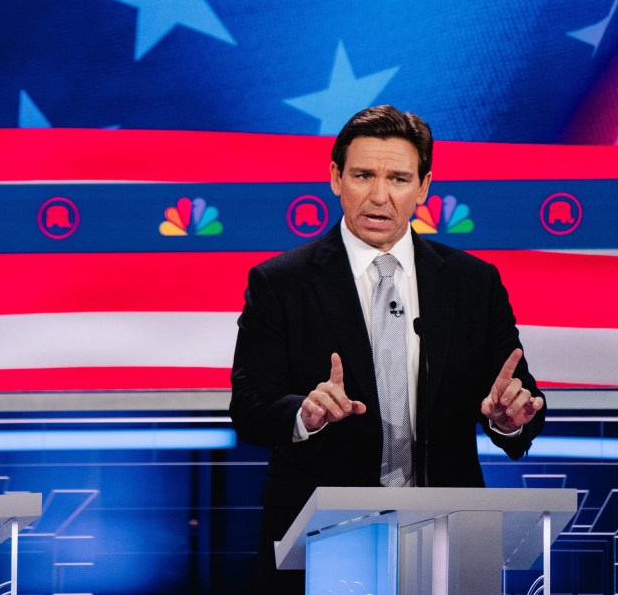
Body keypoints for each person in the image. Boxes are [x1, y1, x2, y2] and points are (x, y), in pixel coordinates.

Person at [229, 105, 546, 594]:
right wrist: (304, 414)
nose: (379, 196)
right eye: (363, 175)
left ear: (423, 187)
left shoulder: (472, 283)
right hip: (322, 541)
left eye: (399, 178)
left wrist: (508, 418)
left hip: (446, 538)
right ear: (336, 177)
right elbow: (250, 407)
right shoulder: (281, 283)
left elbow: (519, 397)